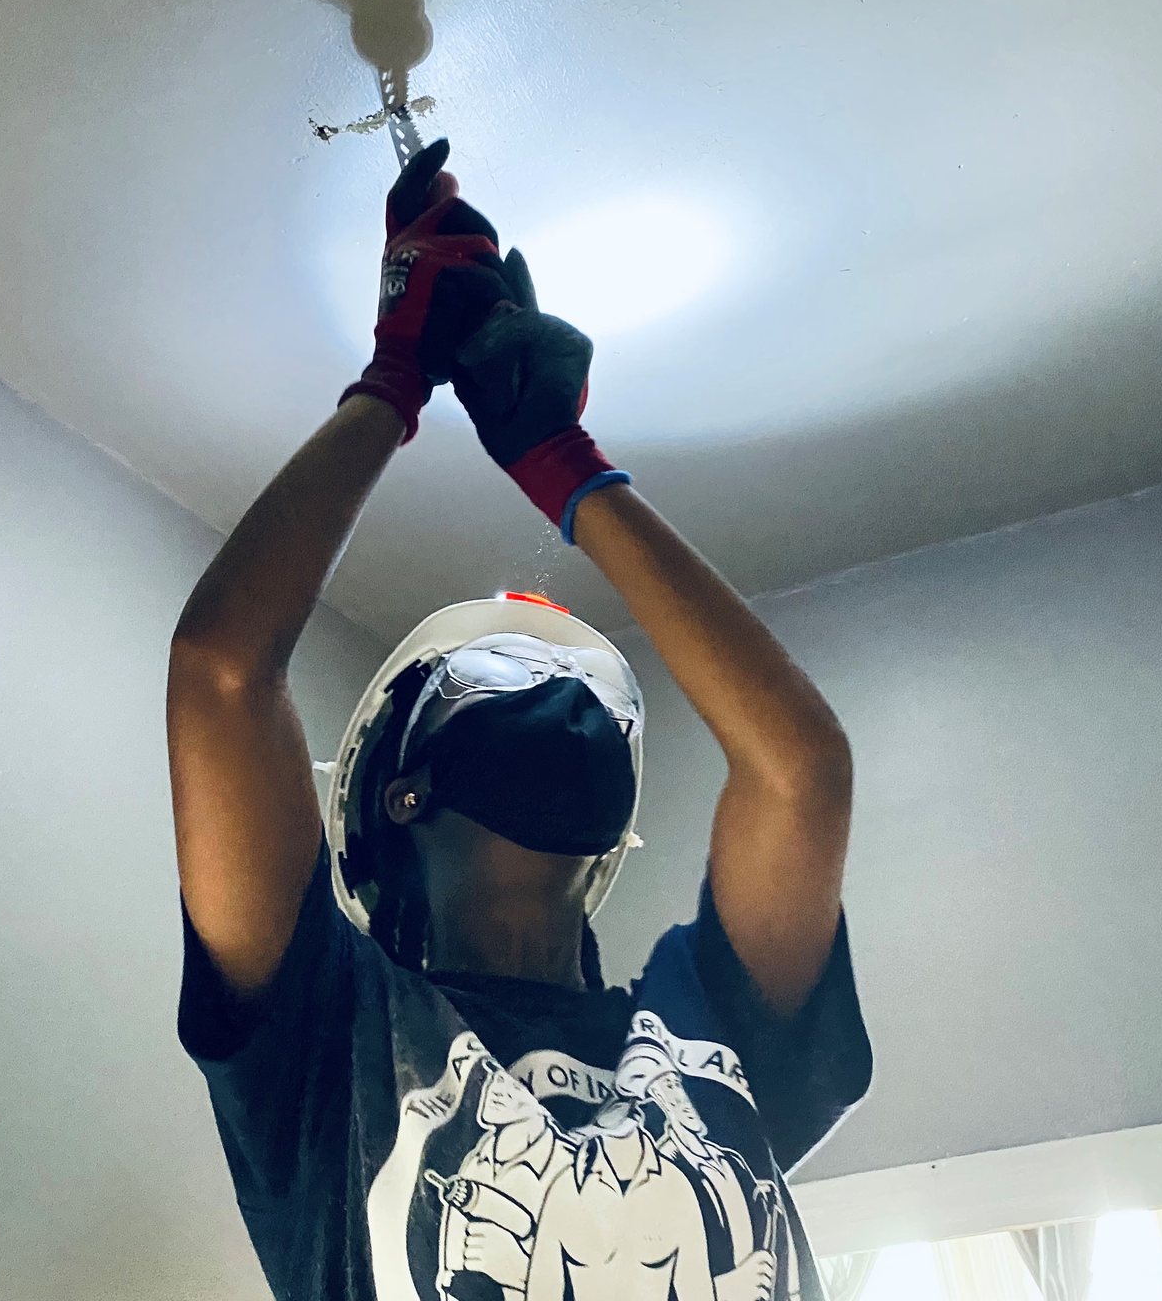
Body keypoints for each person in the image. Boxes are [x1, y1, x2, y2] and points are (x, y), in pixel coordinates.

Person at [168, 138, 874, 1301]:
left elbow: (797, 770)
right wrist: (390, 383)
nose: (566, 690)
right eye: (493, 676)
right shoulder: (326, 1046)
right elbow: (222, 673)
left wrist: (563, 463)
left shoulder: (709, 1029)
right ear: (404, 793)